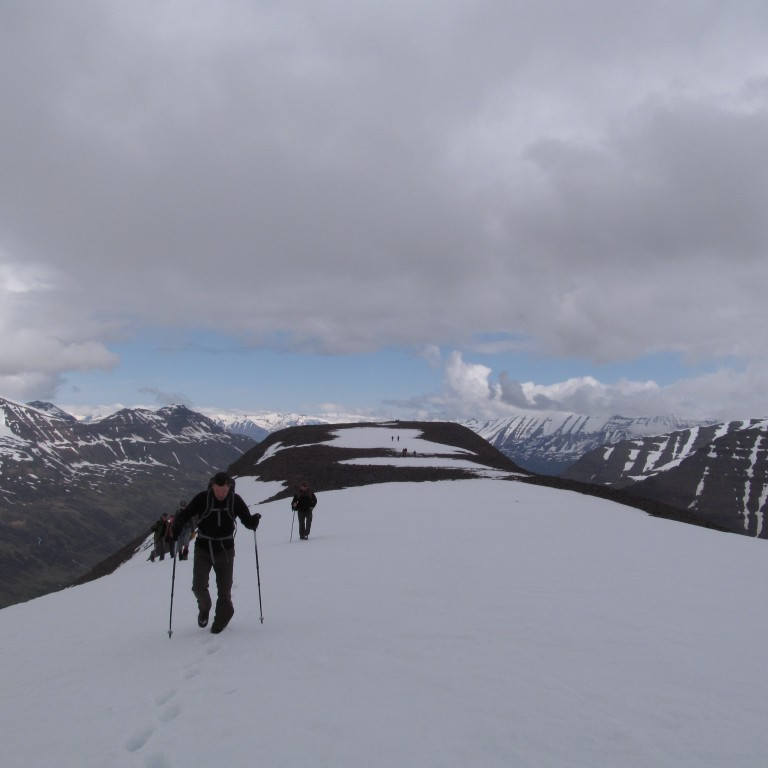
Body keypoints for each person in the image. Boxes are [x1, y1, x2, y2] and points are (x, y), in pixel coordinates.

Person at [172, 471, 261, 634]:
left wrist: (252, 522)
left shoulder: (235, 500)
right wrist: (177, 524)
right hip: (203, 548)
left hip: (225, 550)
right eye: (218, 490)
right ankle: (204, 608)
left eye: (224, 491)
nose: (220, 494)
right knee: (198, 587)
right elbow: (186, 514)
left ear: (229, 487)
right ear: (212, 486)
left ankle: (221, 619)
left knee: (224, 590)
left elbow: (246, 520)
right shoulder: (203, 498)